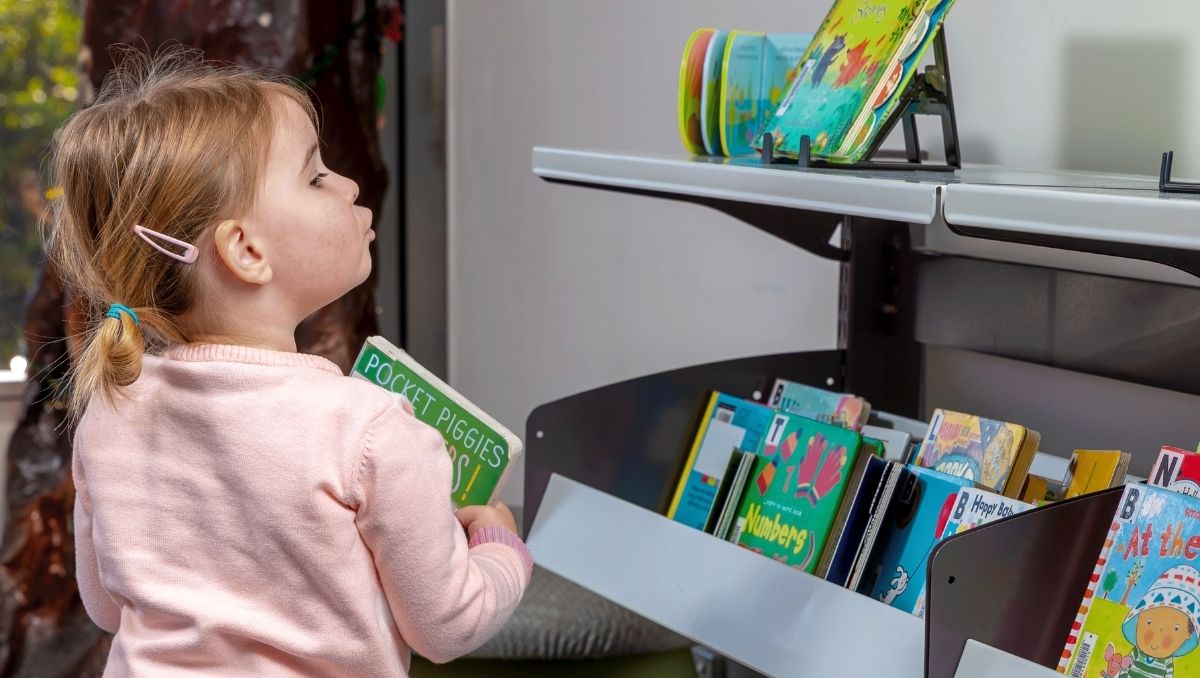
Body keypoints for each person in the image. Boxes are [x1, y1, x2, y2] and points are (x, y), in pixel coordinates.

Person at [45, 47, 531, 676]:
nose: (350, 184)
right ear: (246, 250)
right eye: (317, 175)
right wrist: (497, 544)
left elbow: (108, 606)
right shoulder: (369, 430)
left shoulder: (111, 414)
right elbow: (448, 624)